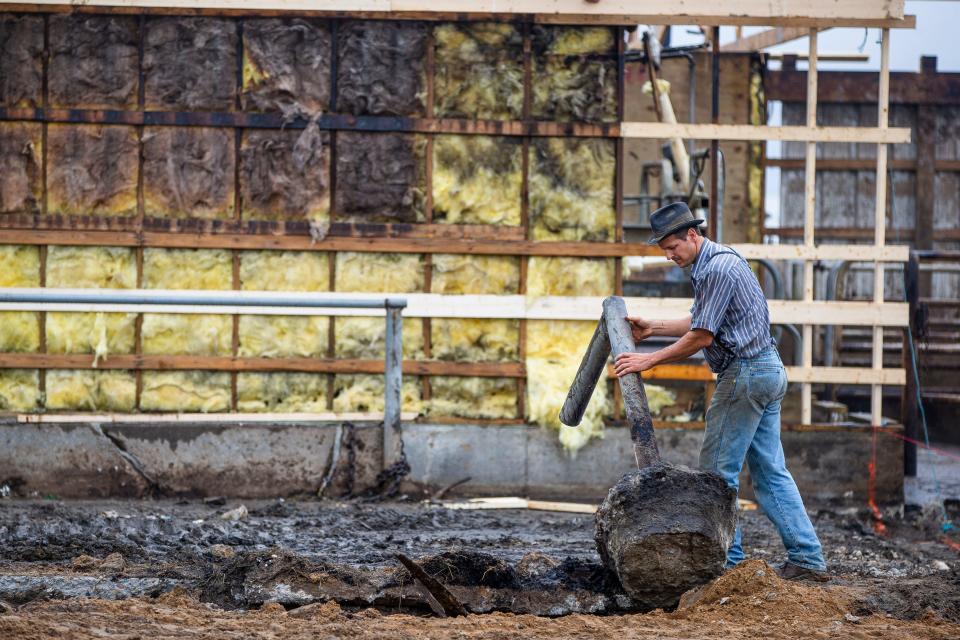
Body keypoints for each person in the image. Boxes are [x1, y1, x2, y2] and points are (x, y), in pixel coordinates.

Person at [612, 201, 827, 581]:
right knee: (771, 473)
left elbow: (702, 335)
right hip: (766, 370)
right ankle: (807, 559)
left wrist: (648, 359)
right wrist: (654, 326)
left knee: (716, 476)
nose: (669, 255)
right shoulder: (719, 262)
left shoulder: (715, 269)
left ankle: (728, 567)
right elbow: (701, 318)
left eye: (673, 247)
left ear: (692, 235)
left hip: (744, 374)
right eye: (664, 249)